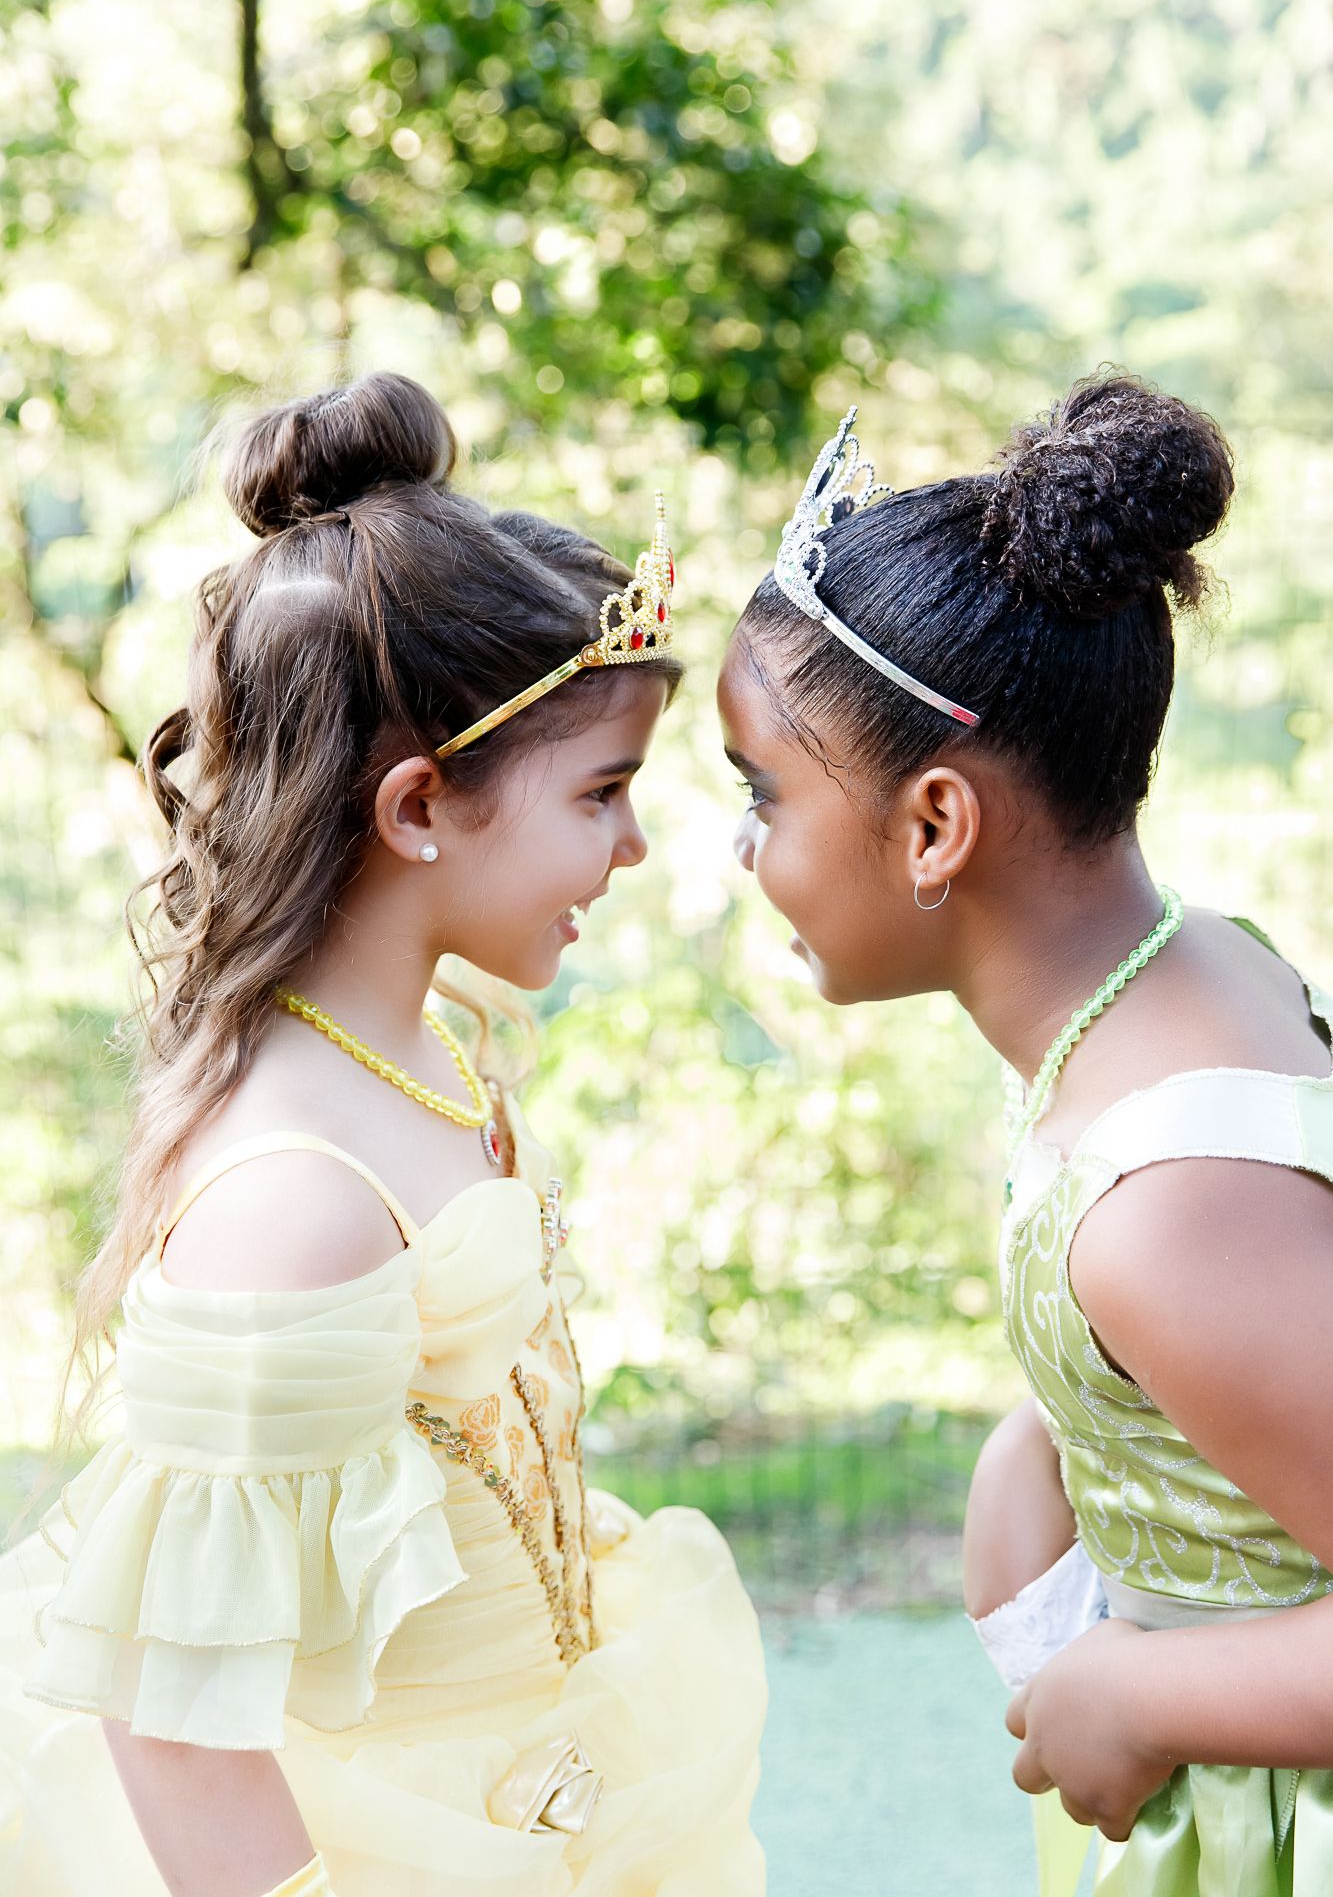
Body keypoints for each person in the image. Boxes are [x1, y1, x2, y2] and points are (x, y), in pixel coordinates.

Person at [0, 372, 766, 1897]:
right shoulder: (297, 1198)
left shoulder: (437, 1049)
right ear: (419, 809)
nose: (631, 843)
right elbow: (170, 1715)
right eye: (603, 792)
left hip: (540, 1791)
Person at [716, 374, 1333, 1892]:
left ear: (931, 827)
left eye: (761, 793)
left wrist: (1139, 1690)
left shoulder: (1166, 1204)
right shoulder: (1190, 969)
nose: (740, 849)